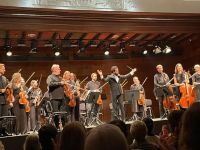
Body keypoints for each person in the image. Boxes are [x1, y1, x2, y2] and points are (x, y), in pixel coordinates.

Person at [46, 64, 65, 128]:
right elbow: (50, 84)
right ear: (54, 70)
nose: (60, 70)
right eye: (59, 68)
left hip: (62, 98)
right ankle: (57, 128)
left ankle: (64, 128)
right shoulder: (50, 77)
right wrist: (59, 83)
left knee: (63, 114)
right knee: (56, 114)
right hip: (54, 98)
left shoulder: (60, 78)